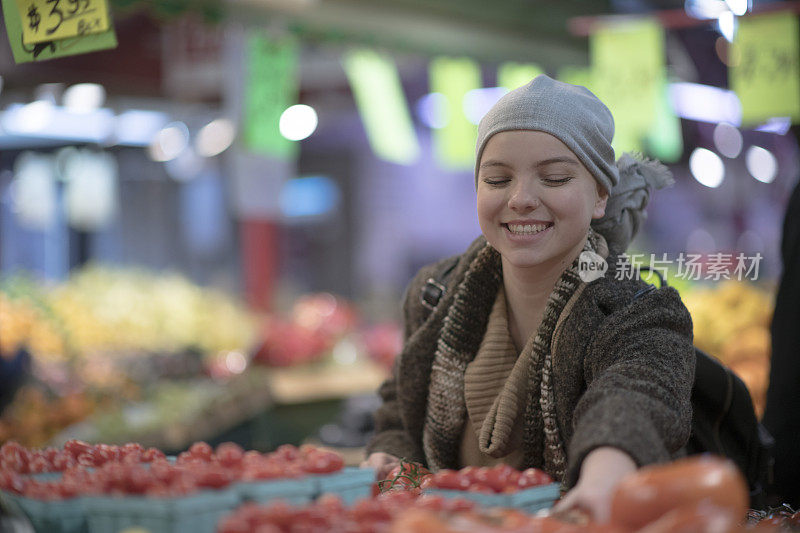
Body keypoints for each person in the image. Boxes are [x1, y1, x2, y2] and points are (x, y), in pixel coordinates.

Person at [362, 75, 695, 522]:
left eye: (554, 178)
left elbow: (636, 399)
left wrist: (600, 483)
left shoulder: (641, 310)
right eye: (497, 179)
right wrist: (389, 458)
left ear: (600, 193)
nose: (520, 200)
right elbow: (399, 413)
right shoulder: (432, 293)